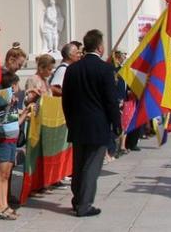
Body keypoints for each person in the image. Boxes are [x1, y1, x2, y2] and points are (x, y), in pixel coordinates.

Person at [61, 29, 120, 218]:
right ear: (100, 47)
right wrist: (116, 123)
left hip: (77, 123)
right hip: (98, 124)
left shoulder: (72, 69)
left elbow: (66, 99)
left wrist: (69, 120)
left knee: (79, 164)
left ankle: (78, 199)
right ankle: (84, 204)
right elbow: (111, 100)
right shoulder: (105, 69)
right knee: (91, 166)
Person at [0, 72, 29, 220]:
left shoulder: (12, 100)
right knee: (1, 175)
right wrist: (8, 103)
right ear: (13, 85)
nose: (19, 88)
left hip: (12, 141)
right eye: (17, 85)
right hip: (4, 141)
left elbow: (14, 123)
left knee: (6, 175)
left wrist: (25, 112)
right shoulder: (1, 97)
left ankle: (5, 205)